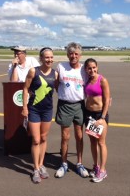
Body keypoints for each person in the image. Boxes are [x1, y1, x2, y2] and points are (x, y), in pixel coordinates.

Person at [21, 47, 58, 184]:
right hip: (34, 109)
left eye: (51, 57)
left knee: (43, 137)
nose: (49, 60)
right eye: (46, 57)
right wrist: (24, 107)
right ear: (41, 58)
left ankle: (41, 164)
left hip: (47, 110)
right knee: (36, 140)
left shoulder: (55, 74)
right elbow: (25, 89)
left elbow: (60, 89)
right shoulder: (33, 71)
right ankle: (35, 169)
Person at [54, 42, 89, 178]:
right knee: (65, 137)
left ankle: (79, 163)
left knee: (79, 136)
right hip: (65, 105)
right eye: (71, 53)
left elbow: (93, 84)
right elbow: (56, 85)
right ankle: (63, 163)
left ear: (80, 55)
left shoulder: (84, 69)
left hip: (80, 105)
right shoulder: (61, 67)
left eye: (76, 54)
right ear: (67, 54)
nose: (73, 56)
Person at [84, 58, 110, 183]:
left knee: (101, 143)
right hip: (89, 114)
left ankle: (103, 170)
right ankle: (96, 166)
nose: (92, 70)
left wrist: (102, 118)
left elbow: (106, 101)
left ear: (97, 67)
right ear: (86, 69)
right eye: (89, 68)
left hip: (100, 115)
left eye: (94, 67)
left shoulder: (102, 80)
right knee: (93, 142)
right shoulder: (87, 80)